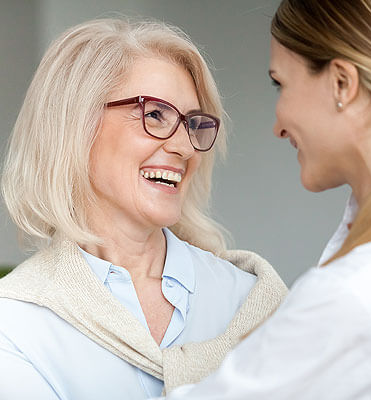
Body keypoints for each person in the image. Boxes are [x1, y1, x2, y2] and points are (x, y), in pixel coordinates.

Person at [0, 19, 287, 399]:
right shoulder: (17, 320)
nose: (185, 148)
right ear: (75, 124)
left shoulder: (252, 299)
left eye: (193, 125)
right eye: (155, 115)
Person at [154, 0, 371, 398]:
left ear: (342, 83)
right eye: (153, 117)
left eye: (280, 83)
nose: (278, 126)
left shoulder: (355, 296)